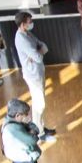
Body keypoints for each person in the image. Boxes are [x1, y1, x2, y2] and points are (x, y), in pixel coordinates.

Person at [14, 12, 55, 140]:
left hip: (38, 72)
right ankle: (39, 132)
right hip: (32, 75)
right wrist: (38, 51)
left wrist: (38, 51)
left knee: (39, 102)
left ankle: (41, 126)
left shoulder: (27, 33)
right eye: (29, 22)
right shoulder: (21, 39)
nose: (31, 24)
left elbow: (42, 45)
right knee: (39, 104)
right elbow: (38, 56)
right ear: (22, 24)